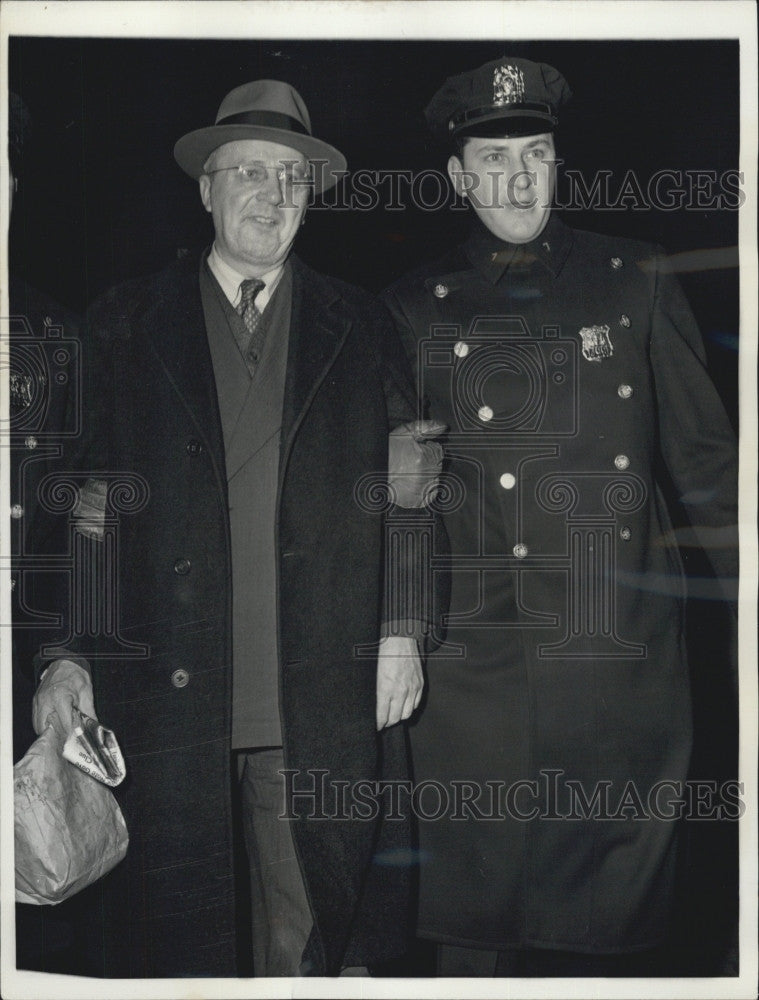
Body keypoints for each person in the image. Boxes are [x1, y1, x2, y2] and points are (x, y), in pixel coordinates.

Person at [29, 79, 441, 978]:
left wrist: (403, 629)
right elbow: (83, 506)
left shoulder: (363, 323)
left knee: (311, 929)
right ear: (206, 190)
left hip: (316, 686)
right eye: (248, 173)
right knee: (184, 938)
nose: (271, 195)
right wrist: (67, 653)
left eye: (290, 178)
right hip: (165, 691)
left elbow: (410, 496)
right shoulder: (122, 322)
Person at [382, 56, 739, 976]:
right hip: (470, 688)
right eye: (491, 161)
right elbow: (404, 505)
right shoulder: (410, 308)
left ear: (558, 163)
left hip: (612, 673)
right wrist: (399, 633)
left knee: (606, 943)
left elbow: (705, 463)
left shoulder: (635, 278)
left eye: (535, 154)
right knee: (470, 935)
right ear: (457, 178)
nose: (516, 179)